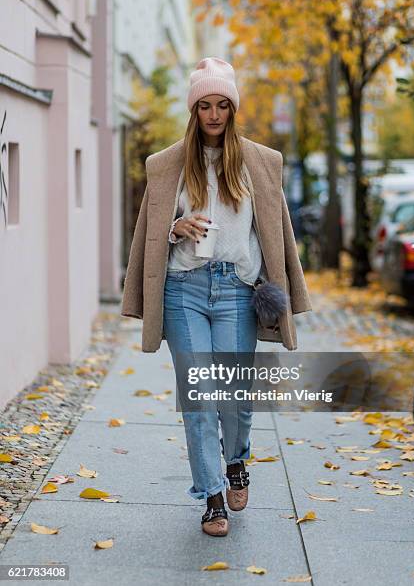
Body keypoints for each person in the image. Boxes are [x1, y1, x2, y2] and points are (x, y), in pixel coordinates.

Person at [121, 57, 312, 537]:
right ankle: (211, 499)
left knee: (235, 400)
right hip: (184, 291)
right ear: (193, 110)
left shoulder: (261, 162)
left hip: (236, 291)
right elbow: (147, 233)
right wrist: (174, 229)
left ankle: (236, 463)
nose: (212, 114)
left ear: (231, 108)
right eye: (203, 105)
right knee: (201, 400)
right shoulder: (165, 165)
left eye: (221, 104)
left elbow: (275, 232)